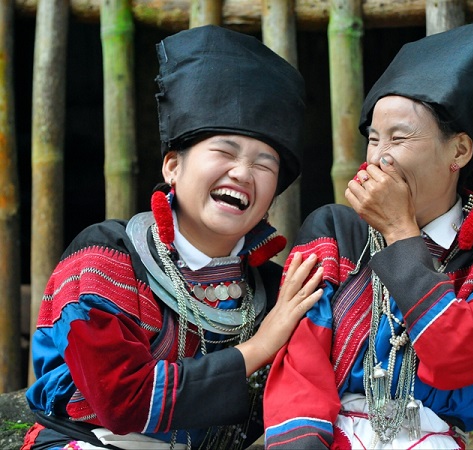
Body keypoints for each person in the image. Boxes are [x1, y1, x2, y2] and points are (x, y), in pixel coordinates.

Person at [22, 25, 323, 450]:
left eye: (264, 163)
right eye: (225, 150)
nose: (242, 172)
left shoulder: (275, 292)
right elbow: (122, 400)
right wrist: (261, 345)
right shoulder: (108, 259)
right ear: (172, 167)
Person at [263, 17, 473, 450]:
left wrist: (400, 231)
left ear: (459, 150)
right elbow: (300, 358)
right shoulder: (334, 232)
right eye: (374, 139)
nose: (380, 157)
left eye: (399, 137)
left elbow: (457, 360)